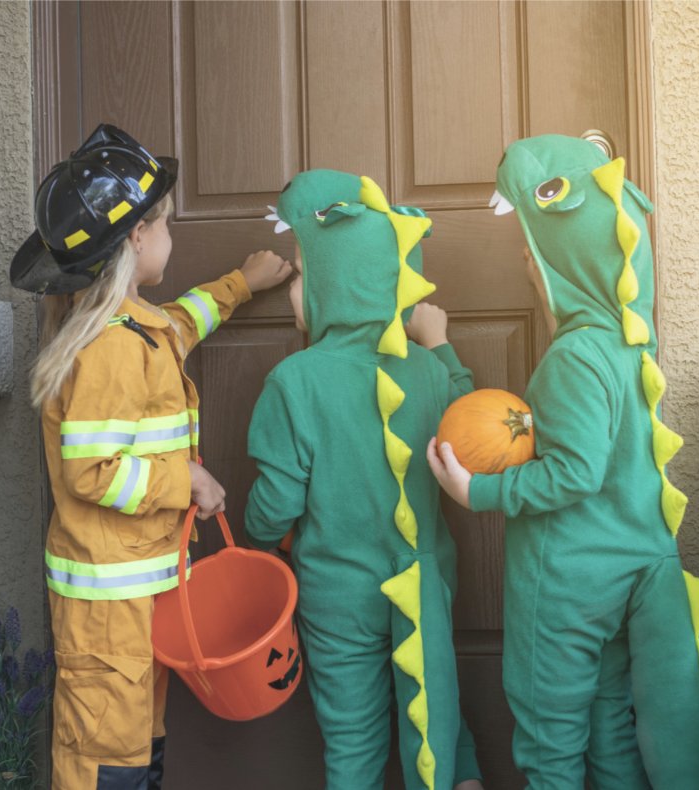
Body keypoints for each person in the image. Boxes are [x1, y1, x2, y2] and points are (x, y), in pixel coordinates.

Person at [428, 135, 699, 790]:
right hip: (628, 569)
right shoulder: (629, 347)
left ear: (559, 265)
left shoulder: (573, 357)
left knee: (551, 739)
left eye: (535, 252)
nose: (527, 259)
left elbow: (575, 472)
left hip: (567, 583)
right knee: (610, 728)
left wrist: (475, 492)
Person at [10, 123, 291, 790]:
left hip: (143, 597)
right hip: (110, 614)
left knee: (137, 753)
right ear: (137, 236)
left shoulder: (139, 328)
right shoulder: (109, 347)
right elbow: (90, 472)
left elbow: (181, 324)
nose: (170, 236)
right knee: (107, 765)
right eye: (165, 223)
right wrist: (185, 478)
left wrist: (242, 283)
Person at [245, 169, 484, 790]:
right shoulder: (429, 371)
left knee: (353, 739)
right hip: (424, 580)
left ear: (338, 283)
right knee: (438, 716)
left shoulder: (296, 381)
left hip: (337, 598)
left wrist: (260, 538)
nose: (294, 289)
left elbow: (275, 503)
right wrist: (442, 347)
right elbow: (474, 430)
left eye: (303, 275)